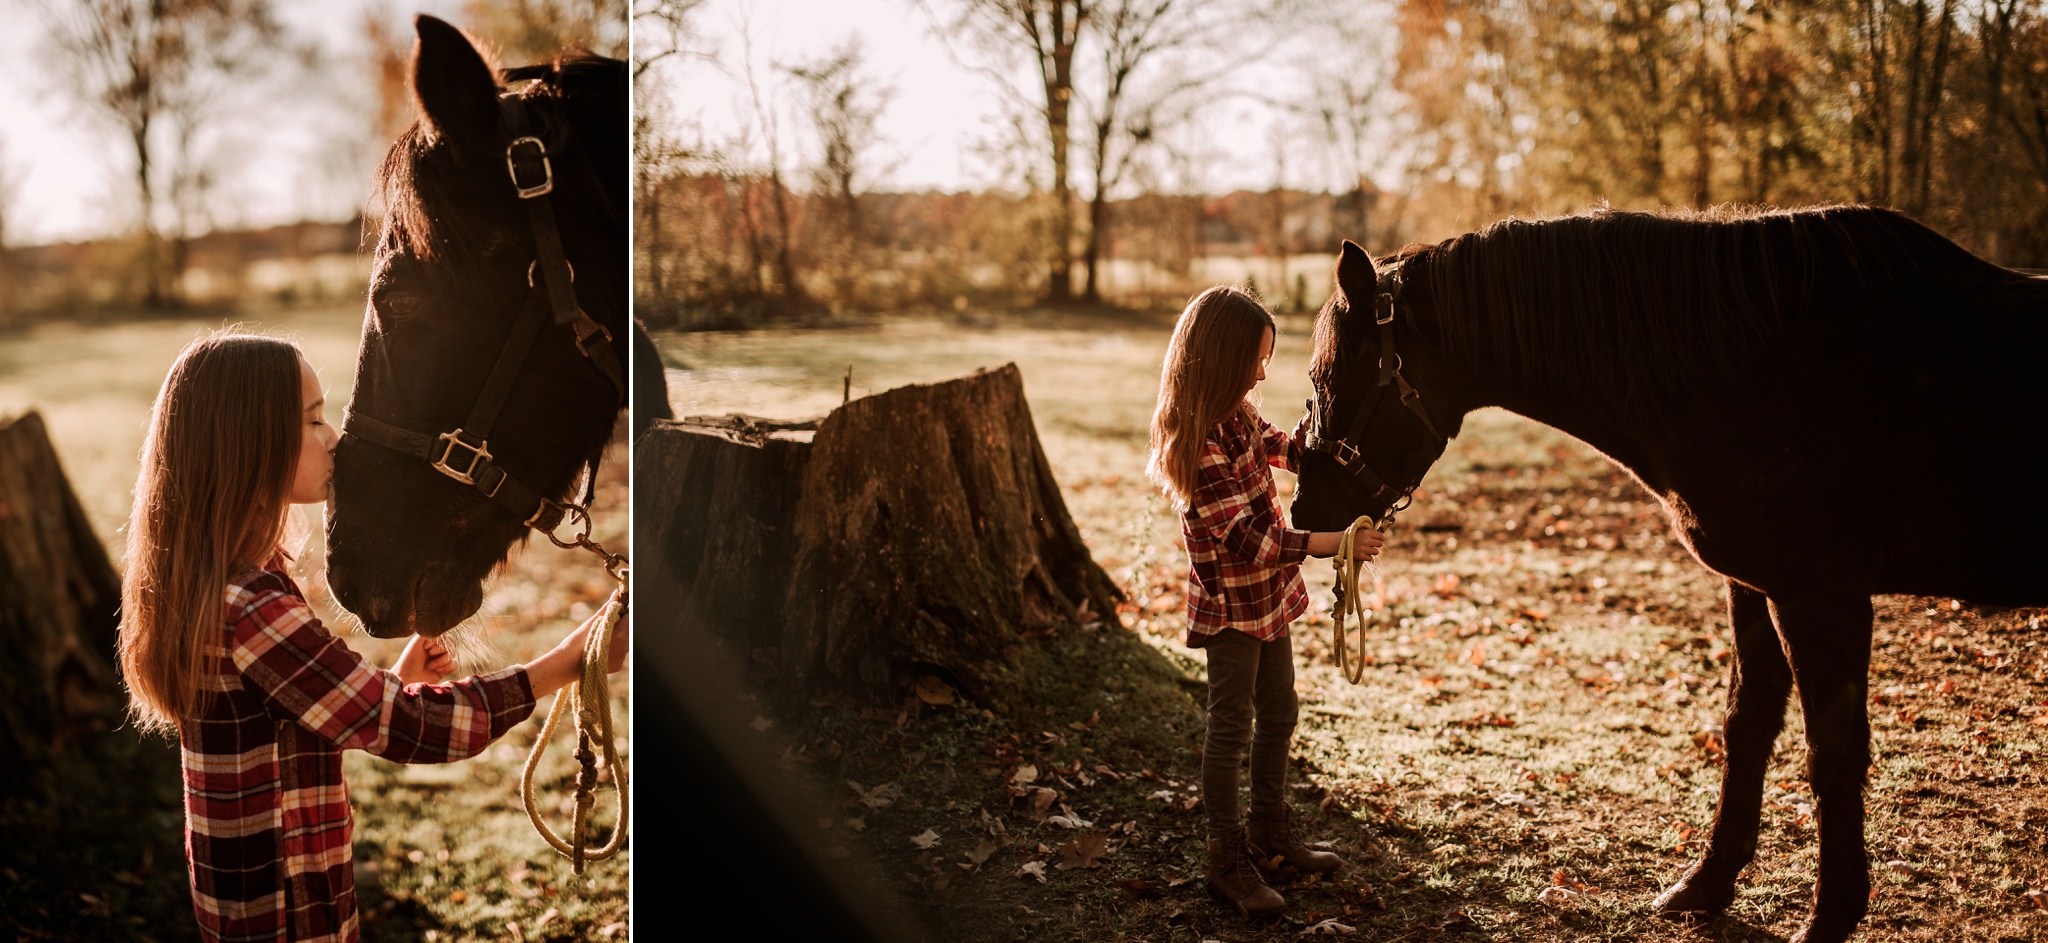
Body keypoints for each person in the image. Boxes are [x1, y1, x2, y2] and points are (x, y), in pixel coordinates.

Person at [115, 331, 626, 943]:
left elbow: (300, 712)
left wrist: (394, 681)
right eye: (311, 421)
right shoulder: (253, 606)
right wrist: (566, 664)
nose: (333, 437)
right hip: (289, 905)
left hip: (242, 896)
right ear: (248, 444)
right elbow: (407, 728)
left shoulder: (217, 583)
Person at [1145, 286, 1385, 918]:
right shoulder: (1196, 445)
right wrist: (1334, 543)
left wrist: (1318, 446)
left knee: (1279, 712)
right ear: (1221, 360)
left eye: (1267, 362)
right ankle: (1226, 860)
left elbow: (1278, 444)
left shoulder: (1239, 413)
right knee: (1230, 730)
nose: (1261, 373)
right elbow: (1254, 542)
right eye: (1255, 361)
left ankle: (1270, 834)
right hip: (1231, 610)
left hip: (1269, 601)